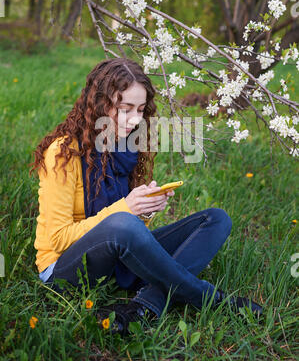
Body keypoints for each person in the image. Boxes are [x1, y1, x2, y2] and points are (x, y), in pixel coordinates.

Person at [30, 58, 262, 335]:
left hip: (114, 256)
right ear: (100, 104)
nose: (135, 119)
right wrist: (125, 209)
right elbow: (57, 238)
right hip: (62, 269)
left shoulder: (127, 145)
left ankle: (143, 306)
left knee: (216, 220)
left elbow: (128, 236)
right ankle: (209, 298)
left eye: (140, 109)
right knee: (123, 223)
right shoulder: (63, 152)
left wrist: (145, 210)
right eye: (125, 109)